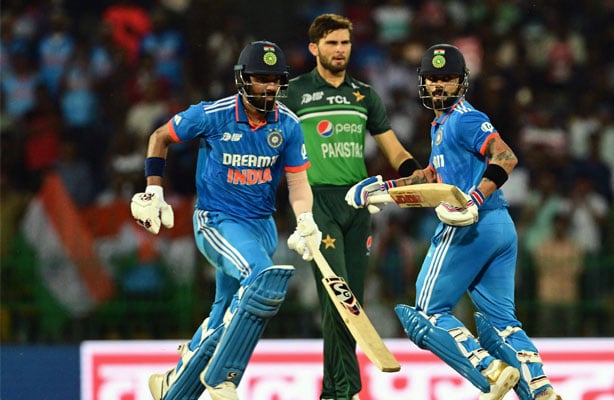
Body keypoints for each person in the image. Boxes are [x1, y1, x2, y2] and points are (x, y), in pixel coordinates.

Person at [346, 44, 562, 400]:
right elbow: (433, 178)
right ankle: (540, 390)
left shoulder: (464, 118)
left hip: (469, 227)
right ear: (423, 83)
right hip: (499, 228)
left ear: (461, 82)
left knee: (426, 315)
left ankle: (490, 371)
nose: (438, 86)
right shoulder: (441, 125)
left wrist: (474, 199)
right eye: (432, 79)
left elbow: (505, 156)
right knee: (501, 323)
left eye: (446, 79)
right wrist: (383, 189)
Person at [130, 40, 322, 400]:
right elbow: (160, 137)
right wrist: (153, 190)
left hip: (261, 227)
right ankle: (223, 377)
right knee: (262, 280)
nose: (268, 87)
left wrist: (306, 220)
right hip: (217, 221)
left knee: (224, 316)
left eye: (274, 80)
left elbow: (297, 182)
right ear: (242, 79)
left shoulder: (290, 125)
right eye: (260, 79)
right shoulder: (213, 114)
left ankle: (173, 384)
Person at [283, 13, 423, 400]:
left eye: (344, 42)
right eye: (331, 43)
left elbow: (392, 148)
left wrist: (415, 171)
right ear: (314, 48)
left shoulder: (364, 95)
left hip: (357, 202)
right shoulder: (293, 93)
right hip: (317, 201)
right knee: (338, 296)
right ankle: (345, 390)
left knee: (352, 303)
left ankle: (332, 391)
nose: (339, 50)